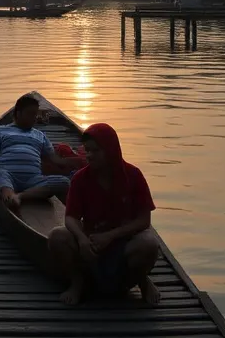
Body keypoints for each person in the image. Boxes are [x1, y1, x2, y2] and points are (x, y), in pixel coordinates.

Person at [49, 123, 161, 307]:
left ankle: (142, 280)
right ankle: (77, 283)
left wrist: (111, 236)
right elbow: (71, 217)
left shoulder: (133, 175)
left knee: (149, 245)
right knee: (57, 236)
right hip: (92, 241)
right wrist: (82, 239)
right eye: (87, 150)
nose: (90, 155)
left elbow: (144, 220)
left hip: (124, 242)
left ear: (110, 150)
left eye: (95, 150)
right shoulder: (80, 178)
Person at [0, 93, 76, 212]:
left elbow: (55, 160)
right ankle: (10, 196)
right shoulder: (1, 131)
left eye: (35, 114)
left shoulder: (40, 135)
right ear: (18, 113)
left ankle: (20, 196)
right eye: (30, 114)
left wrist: (77, 161)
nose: (35, 117)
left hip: (33, 181)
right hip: (8, 177)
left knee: (63, 182)